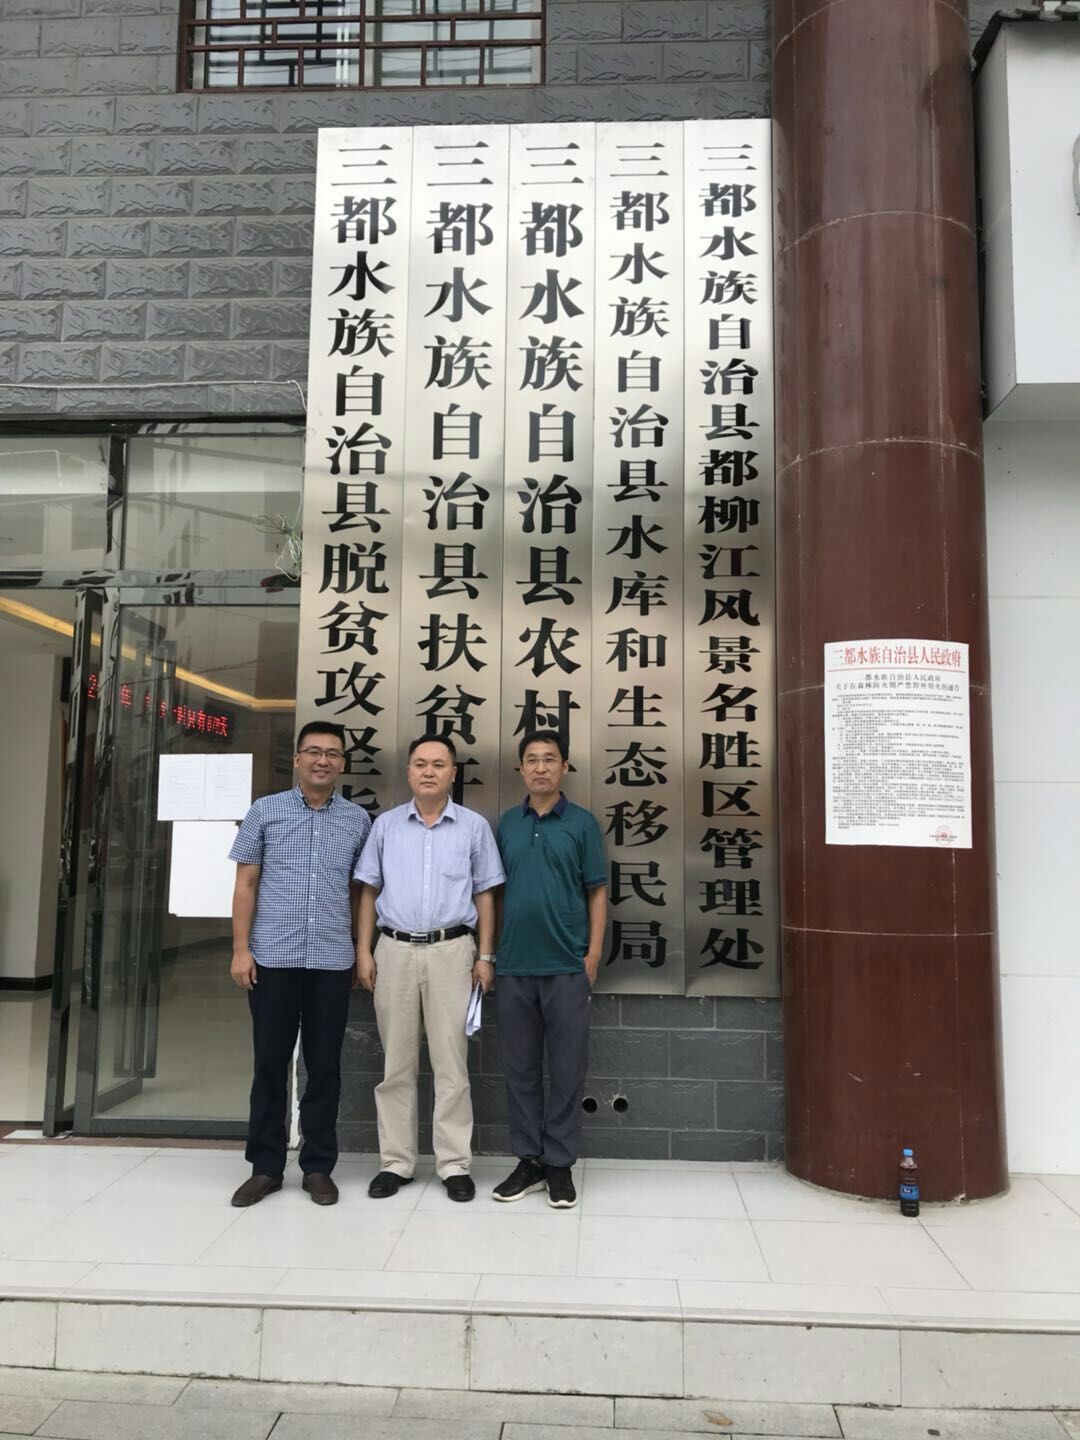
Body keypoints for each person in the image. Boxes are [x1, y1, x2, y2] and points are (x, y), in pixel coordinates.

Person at [227, 721, 371, 1208]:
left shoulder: (357, 821)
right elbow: (246, 884)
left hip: (331, 959)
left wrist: (360, 948)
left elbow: (361, 892)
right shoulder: (264, 811)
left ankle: (317, 1166)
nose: (322, 760)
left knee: (325, 1066)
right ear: (297, 759)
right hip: (273, 958)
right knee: (269, 1063)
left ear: (342, 763)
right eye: (313, 751)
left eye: (332, 753)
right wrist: (240, 948)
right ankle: (266, 1166)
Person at [355, 736, 504, 1202]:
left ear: (453, 773)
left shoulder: (473, 827)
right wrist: (364, 951)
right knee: (396, 1064)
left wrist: (485, 955)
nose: (429, 771)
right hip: (394, 951)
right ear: (408, 771)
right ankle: (396, 1163)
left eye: (439, 764)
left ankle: (453, 1164)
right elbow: (368, 891)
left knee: (451, 1064)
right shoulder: (386, 826)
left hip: (452, 951)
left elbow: (485, 894)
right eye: (420, 763)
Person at [492, 729, 607, 1210]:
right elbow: (493, 894)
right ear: (521, 768)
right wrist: (490, 954)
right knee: (519, 1069)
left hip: (566, 966)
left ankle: (559, 1163)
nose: (540, 767)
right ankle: (529, 1160)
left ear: (564, 767)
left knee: (565, 1069)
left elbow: (597, 891)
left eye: (550, 759)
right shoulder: (506, 824)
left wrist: (593, 955)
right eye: (532, 759)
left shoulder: (582, 824)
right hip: (514, 966)